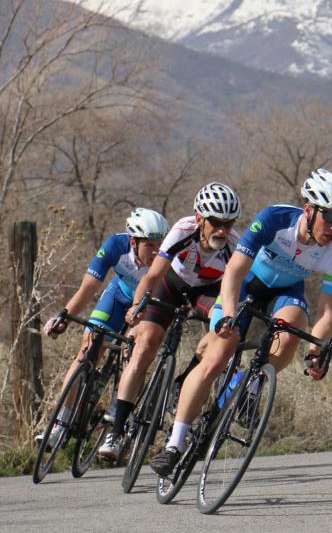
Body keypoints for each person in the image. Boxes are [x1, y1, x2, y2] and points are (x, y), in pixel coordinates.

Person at [149, 168, 332, 476]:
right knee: (219, 354)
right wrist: (228, 315)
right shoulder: (274, 219)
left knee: (293, 328)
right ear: (309, 210)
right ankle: (174, 444)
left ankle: (250, 383)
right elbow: (233, 272)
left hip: (286, 292)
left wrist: (316, 352)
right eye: (330, 217)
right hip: (246, 283)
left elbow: (327, 312)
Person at [96, 182, 242, 463]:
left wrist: (225, 317)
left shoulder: (234, 245)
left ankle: (185, 381)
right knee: (145, 345)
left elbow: (232, 290)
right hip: (170, 284)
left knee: (221, 330)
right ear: (200, 219)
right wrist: (138, 307)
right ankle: (116, 431)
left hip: (208, 292)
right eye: (216, 223)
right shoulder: (183, 230)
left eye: (229, 223)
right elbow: (151, 276)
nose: (222, 230)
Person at [38, 207, 169, 449]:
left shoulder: (164, 259)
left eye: (159, 244)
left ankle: (117, 413)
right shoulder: (115, 247)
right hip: (118, 297)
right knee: (87, 350)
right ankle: (59, 423)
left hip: (146, 305)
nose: (156, 250)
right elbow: (87, 288)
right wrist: (64, 317)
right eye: (149, 245)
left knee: (135, 352)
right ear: (133, 240)